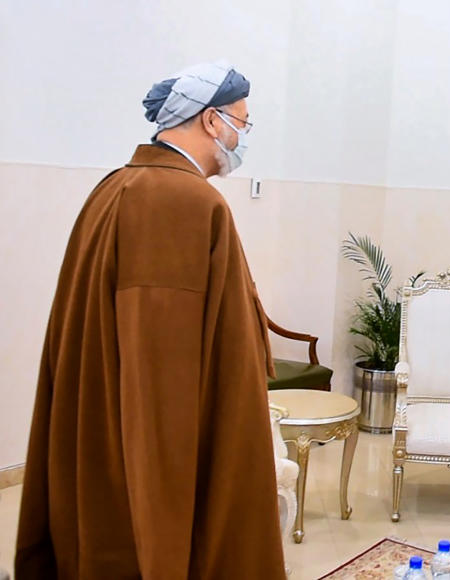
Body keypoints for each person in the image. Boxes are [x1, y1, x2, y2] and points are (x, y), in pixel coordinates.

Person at [15, 61, 286, 579]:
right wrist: (164, 526)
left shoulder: (114, 188)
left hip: (101, 432)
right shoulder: (182, 201)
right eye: (242, 123)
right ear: (212, 121)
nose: (242, 137)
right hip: (153, 461)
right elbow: (160, 385)